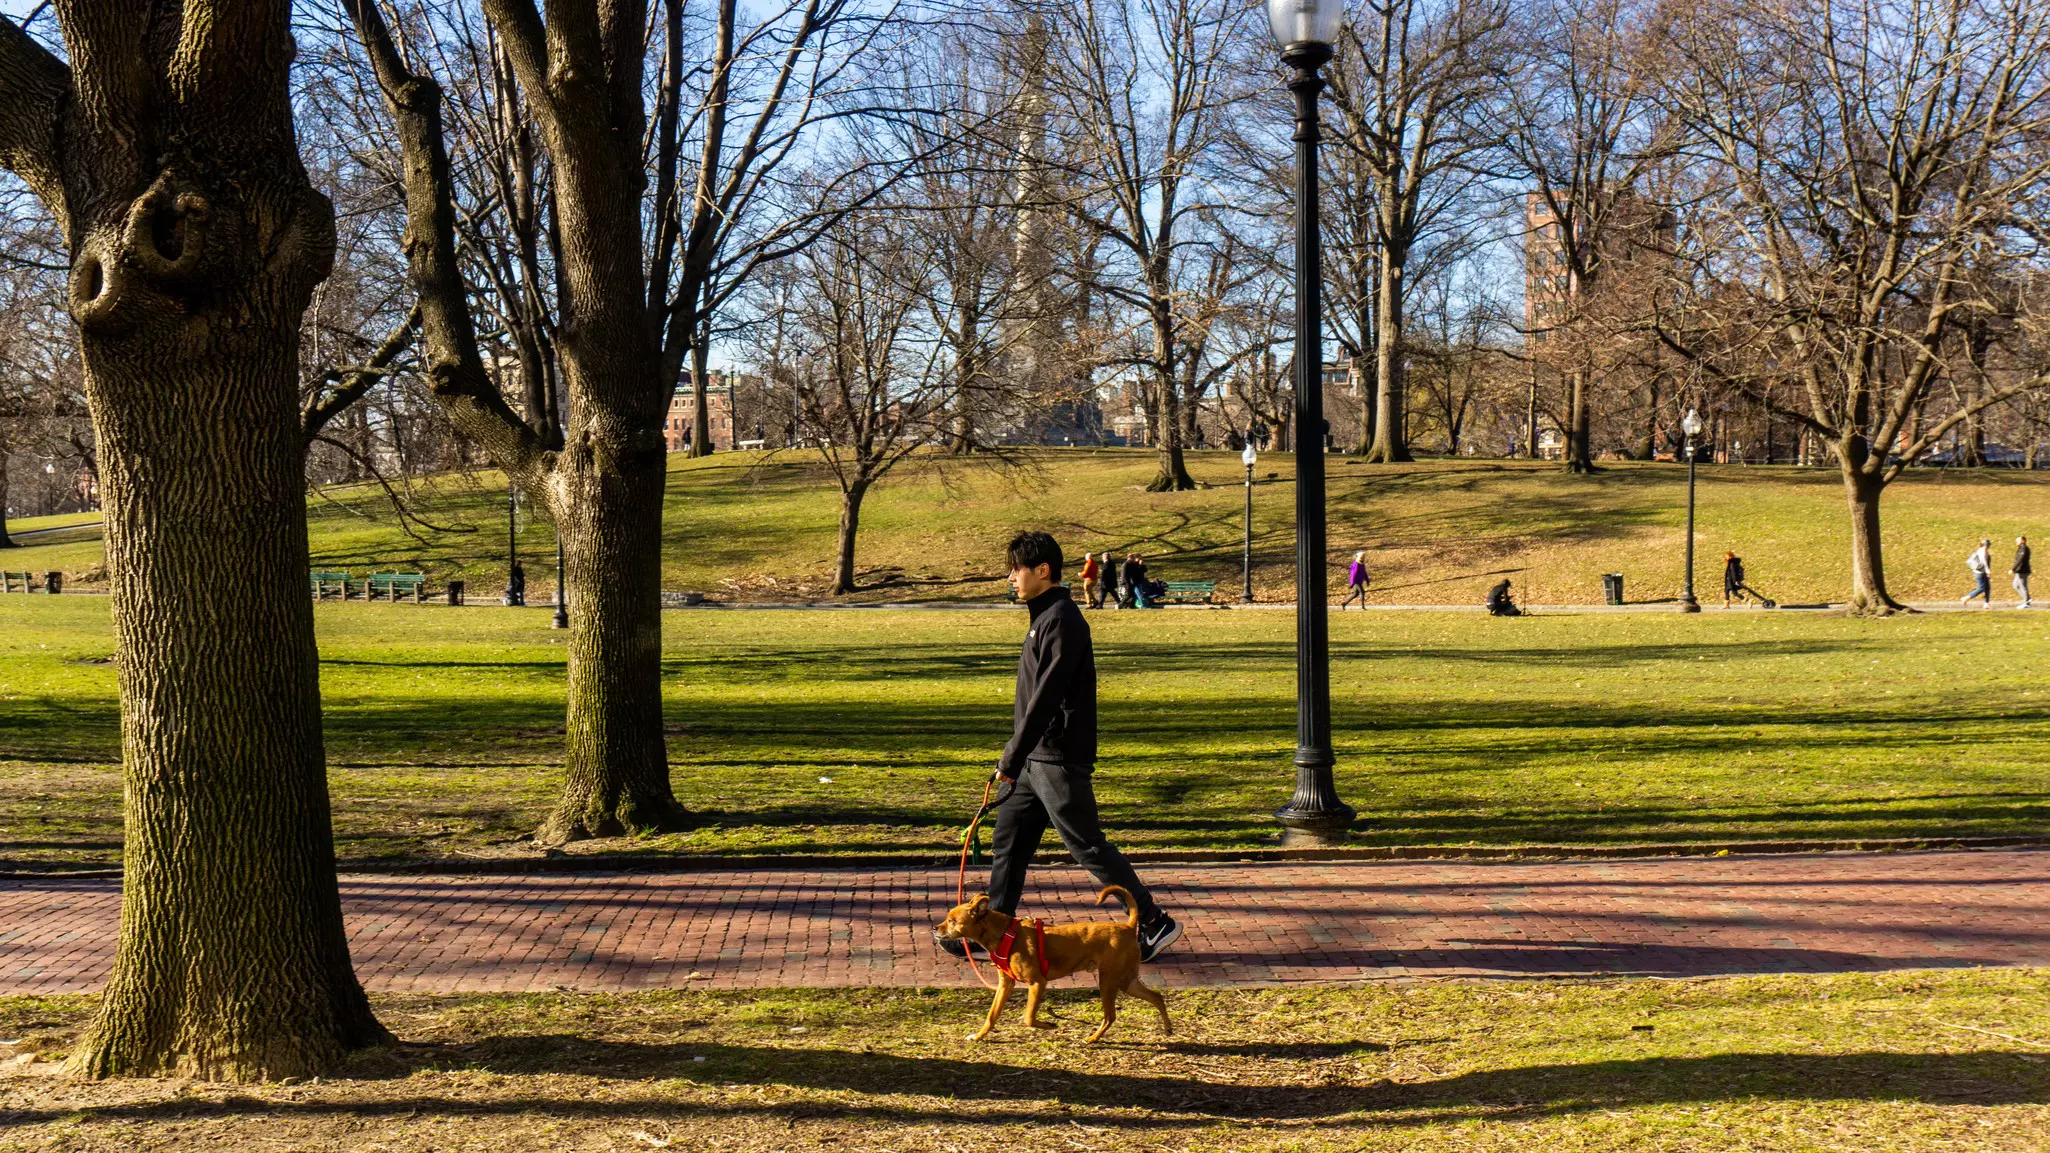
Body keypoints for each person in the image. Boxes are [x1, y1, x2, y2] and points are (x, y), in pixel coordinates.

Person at [936, 531, 1182, 964]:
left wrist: (1012, 755)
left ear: (1043, 570)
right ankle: (992, 930)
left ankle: (1153, 920)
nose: (1011, 578)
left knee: (1087, 845)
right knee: (1009, 844)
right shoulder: (1043, 618)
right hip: (1032, 759)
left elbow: (1046, 697)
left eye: (1016, 570)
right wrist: (1017, 755)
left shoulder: (1063, 620)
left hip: (1057, 757)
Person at [1963, 538, 1994, 609]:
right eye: (1986, 545)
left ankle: (1986, 603)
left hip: (1982, 572)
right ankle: (1966, 598)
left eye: (1988, 545)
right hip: (1980, 573)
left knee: (1987, 587)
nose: (1987, 546)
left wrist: (1987, 571)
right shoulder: (1982, 551)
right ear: (1983, 545)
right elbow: (1984, 562)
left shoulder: (1982, 550)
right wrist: (1988, 571)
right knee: (1981, 588)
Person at [2013, 536, 2032, 609]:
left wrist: (2013, 569)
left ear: (2023, 541)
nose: (2016, 541)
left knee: (2023, 586)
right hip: (2019, 570)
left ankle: (2026, 602)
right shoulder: (2021, 548)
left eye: (2018, 540)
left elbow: (2020, 560)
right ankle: (2027, 599)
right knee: (2015, 585)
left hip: (2023, 571)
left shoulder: (2024, 549)